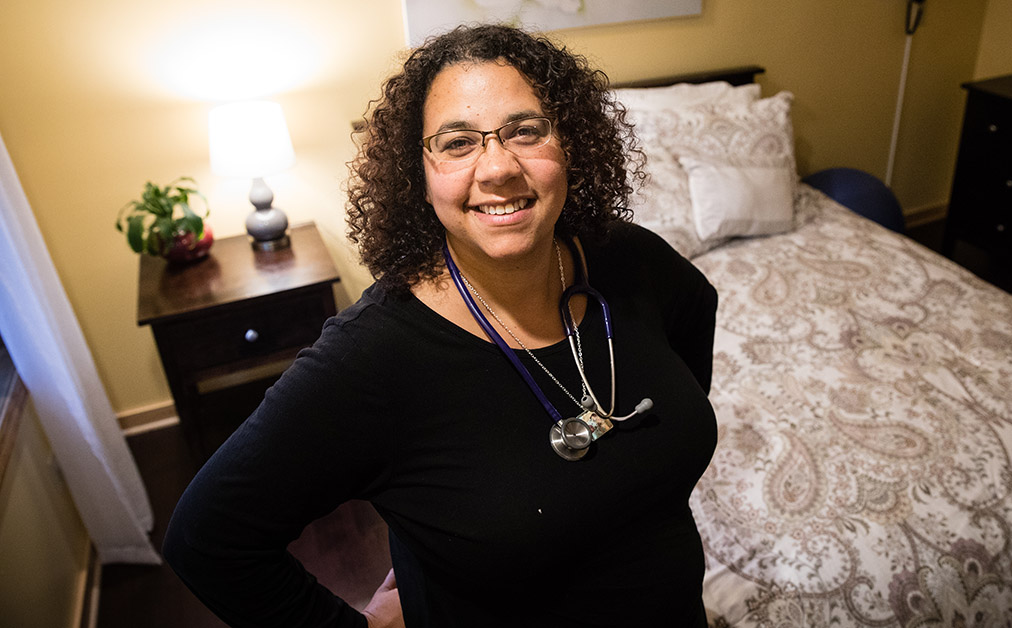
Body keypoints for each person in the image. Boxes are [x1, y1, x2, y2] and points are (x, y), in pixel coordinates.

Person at [163, 23, 718, 628]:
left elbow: (694, 315)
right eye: (457, 143)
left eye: (525, 131)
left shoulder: (629, 258)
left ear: (571, 144)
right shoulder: (371, 357)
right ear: (417, 174)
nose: (498, 167)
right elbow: (208, 540)